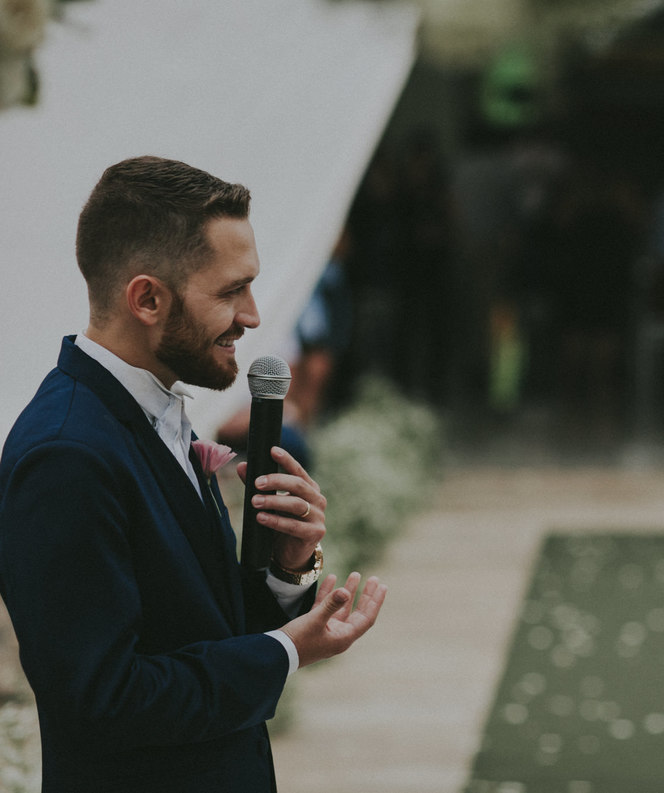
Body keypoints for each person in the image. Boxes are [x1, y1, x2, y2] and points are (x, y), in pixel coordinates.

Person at [0, 156, 387, 792]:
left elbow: (197, 630)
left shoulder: (152, 408)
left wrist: (287, 572)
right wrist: (286, 651)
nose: (254, 315)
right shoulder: (67, 454)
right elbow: (105, 698)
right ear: (147, 298)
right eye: (231, 291)